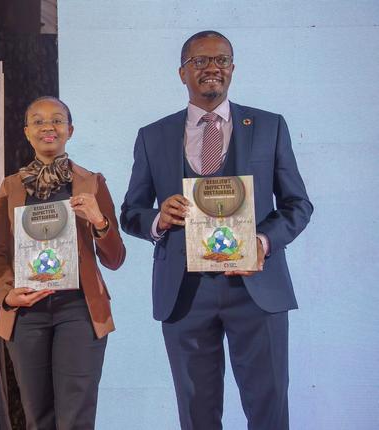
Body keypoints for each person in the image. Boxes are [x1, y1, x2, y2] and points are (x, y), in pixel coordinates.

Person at [121, 31, 313, 429]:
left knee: (269, 408)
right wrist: (158, 218)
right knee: (196, 415)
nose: (212, 68)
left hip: (257, 289)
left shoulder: (269, 126)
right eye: (200, 61)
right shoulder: (152, 135)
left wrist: (262, 241)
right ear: (182, 72)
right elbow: (131, 211)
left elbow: (298, 205)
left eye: (222, 60)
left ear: (232, 68)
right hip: (185, 292)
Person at [0, 96, 126, 429]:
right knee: (38, 417)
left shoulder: (92, 183)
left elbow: (116, 258)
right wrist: (6, 294)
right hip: (27, 313)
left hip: (79, 310)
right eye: (38, 121)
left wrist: (99, 221)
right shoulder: (11, 187)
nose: (48, 126)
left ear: (70, 130)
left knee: (75, 417)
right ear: (26, 132)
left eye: (57, 120)